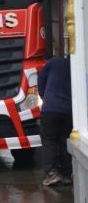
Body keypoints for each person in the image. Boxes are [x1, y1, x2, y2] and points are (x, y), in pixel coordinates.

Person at [38, 56, 73, 187]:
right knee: (65, 140)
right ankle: (66, 175)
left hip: (50, 109)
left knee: (49, 140)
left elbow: (41, 79)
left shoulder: (53, 63)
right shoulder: (77, 67)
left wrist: (44, 96)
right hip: (69, 110)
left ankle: (52, 173)